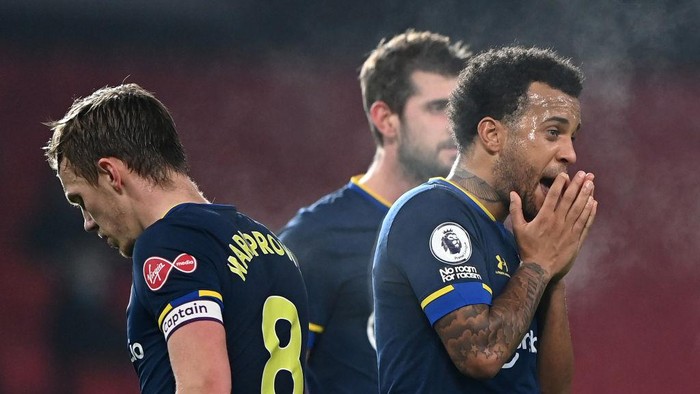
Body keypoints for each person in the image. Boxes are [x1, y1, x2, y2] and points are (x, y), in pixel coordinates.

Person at [44, 83, 309, 393]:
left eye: (80, 201)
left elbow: (205, 386)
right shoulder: (271, 245)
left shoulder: (168, 243)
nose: (88, 222)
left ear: (111, 174)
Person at [372, 46, 599, 393]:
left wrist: (553, 272)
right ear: (492, 134)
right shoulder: (431, 212)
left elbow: (553, 389)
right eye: (553, 132)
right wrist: (539, 263)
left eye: (572, 136)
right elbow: (480, 354)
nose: (570, 153)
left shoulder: (517, 245)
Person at [278, 30, 471, 393]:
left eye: (461, 109)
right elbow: (270, 375)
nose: (456, 125)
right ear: (386, 119)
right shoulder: (318, 238)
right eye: (437, 107)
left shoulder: (472, 231)